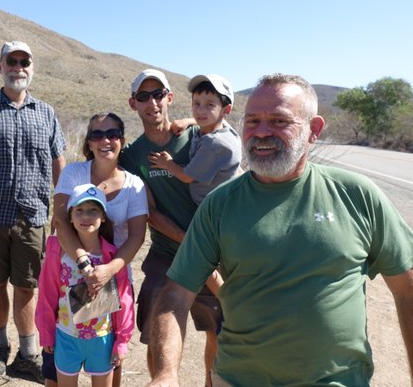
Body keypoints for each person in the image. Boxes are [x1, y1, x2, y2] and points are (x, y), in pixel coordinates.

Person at [147, 73, 413, 387]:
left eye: (278, 121)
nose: (261, 133)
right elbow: (176, 294)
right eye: (253, 121)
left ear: (313, 130)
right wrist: (166, 375)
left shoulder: (356, 194)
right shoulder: (220, 205)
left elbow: (407, 289)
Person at [0, 40, 66, 383]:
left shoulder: (46, 113)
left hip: (32, 216)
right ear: (0, 66)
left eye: (24, 61)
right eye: (12, 60)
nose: (18, 67)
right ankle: (0, 349)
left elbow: (58, 162)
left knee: (27, 286)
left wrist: (60, 212)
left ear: (32, 68)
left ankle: (28, 353)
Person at [118, 69, 223, 385]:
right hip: (168, 254)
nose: (152, 103)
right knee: (156, 333)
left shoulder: (198, 138)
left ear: (170, 98)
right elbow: (149, 213)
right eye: (143, 97)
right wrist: (193, 242)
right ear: (133, 104)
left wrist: (191, 122)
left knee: (221, 330)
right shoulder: (132, 157)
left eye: (158, 94)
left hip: (215, 254)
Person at [52, 112, 148, 386]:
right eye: (97, 134)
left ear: (122, 140)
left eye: (112, 134)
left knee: (105, 359)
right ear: (89, 142)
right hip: (68, 274)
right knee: (63, 353)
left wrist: (108, 270)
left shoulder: (134, 185)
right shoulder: (74, 173)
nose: (105, 140)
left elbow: (136, 237)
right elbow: (60, 219)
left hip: (112, 278)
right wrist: (82, 259)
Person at [36, 184, 135, 387]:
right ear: (70, 217)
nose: (86, 216)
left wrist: (122, 340)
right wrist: (46, 333)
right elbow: (47, 293)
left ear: (104, 216)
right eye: (79, 210)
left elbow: (124, 299)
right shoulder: (58, 250)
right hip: (66, 336)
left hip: (102, 340)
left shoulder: (112, 256)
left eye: (93, 210)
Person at [149, 74, 242, 205]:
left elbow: (187, 177)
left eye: (209, 105)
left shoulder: (213, 144)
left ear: (226, 109)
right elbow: (213, 119)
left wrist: (167, 164)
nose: (200, 111)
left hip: (214, 210)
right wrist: (188, 121)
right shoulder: (226, 131)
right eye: (196, 103)